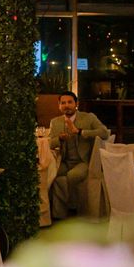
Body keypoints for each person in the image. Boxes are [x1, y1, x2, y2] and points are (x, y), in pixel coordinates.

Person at [48, 91, 109, 219]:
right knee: (52, 175)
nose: (66, 105)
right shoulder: (55, 122)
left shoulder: (88, 118)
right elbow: (49, 143)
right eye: (63, 103)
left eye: (70, 102)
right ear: (59, 106)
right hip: (64, 161)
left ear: (76, 104)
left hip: (83, 161)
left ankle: (73, 210)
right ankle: (58, 214)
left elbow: (104, 133)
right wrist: (59, 138)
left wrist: (80, 132)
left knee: (72, 175)